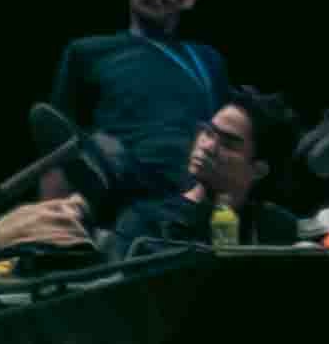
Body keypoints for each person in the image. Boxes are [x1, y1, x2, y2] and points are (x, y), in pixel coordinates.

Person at [45, 0, 233, 209]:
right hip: (117, 209)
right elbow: (58, 149)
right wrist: (49, 221)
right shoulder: (88, 52)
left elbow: (227, 145)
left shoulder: (207, 61)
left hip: (190, 209)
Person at [101, 94, 301, 264]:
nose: (206, 146)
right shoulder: (145, 224)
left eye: (228, 144)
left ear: (258, 169)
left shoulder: (275, 227)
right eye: (208, 132)